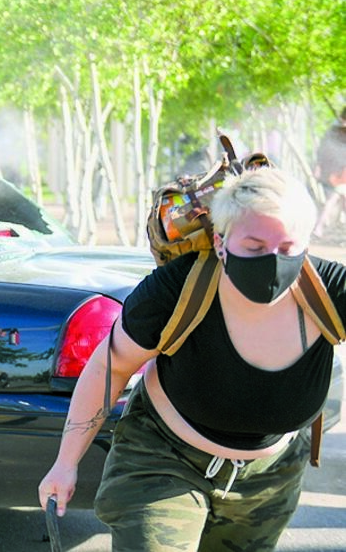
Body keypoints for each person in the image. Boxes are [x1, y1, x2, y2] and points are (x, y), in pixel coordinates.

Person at [39, 166, 344, 551]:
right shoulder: (176, 290)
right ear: (221, 242)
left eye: (286, 249)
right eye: (253, 247)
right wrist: (66, 464)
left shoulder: (330, 291)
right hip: (162, 461)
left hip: (268, 480)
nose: (272, 260)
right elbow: (109, 367)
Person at [312, 107, 346, 240]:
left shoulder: (334, 130)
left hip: (336, 171)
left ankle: (319, 228)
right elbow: (327, 150)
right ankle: (318, 228)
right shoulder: (337, 131)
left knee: (337, 199)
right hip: (337, 172)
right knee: (332, 199)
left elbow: (323, 150)